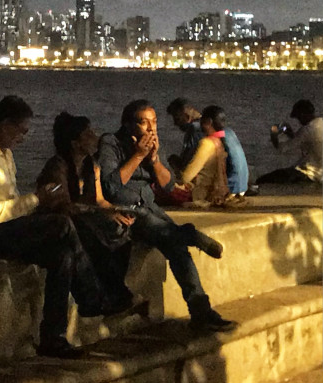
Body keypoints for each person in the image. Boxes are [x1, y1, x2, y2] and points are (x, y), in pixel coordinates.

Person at [0, 96, 126, 359]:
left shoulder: (5, 155)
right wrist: (37, 199)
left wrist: (37, 205)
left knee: (62, 255)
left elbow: (10, 205)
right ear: (4, 124)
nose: (23, 137)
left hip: (2, 229)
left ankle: (53, 337)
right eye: (21, 130)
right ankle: (92, 296)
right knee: (61, 223)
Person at [98, 99, 236, 332]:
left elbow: (168, 183)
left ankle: (200, 310)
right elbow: (111, 187)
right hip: (129, 211)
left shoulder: (149, 146)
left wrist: (153, 160)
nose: (151, 129)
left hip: (151, 209)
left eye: (154, 122)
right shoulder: (111, 143)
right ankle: (190, 235)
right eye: (144, 123)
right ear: (128, 124)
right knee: (174, 238)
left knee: (176, 246)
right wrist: (138, 157)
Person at [37, 112, 136, 307]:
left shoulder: (91, 164)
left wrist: (117, 211)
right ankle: (107, 296)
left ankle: (115, 291)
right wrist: (101, 213)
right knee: (96, 237)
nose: (95, 137)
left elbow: (98, 200)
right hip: (61, 221)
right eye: (88, 134)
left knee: (123, 231)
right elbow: (62, 206)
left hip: (82, 215)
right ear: (75, 143)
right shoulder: (58, 166)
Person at [256, 99, 323, 185]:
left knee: (262, 180)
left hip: (308, 174)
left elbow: (283, 149)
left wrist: (274, 135)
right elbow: (309, 144)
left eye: (298, 117)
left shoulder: (307, 129)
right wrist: (292, 135)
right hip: (322, 172)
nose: (299, 121)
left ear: (302, 114)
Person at [177, 105, 230, 205]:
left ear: (209, 122)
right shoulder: (220, 142)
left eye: (202, 120)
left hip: (199, 194)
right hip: (214, 193)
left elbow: (186, 177)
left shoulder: (207, 143)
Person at [165, 97, 204, 175]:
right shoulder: (208, 125)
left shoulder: (195, 129)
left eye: (177, 118)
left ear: (187, 116)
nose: (175, 123)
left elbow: (187, 164)